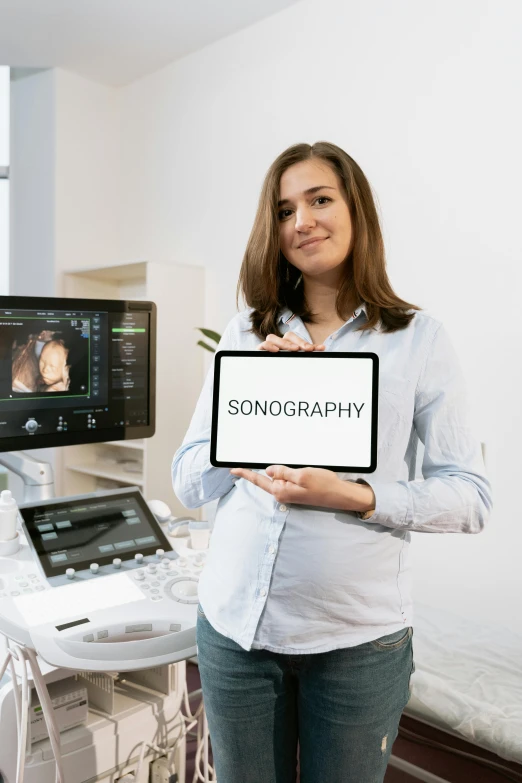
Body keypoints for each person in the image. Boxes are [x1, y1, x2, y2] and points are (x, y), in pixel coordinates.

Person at [171, 141, 493, 783]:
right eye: (285, 209)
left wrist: (354, 495)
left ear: (357, 211)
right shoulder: (246, 333)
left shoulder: (417, 339)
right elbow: (187, 482)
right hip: (235, 631)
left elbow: (470, 497)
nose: (302, 222)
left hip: (356, 643)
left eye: (320, 200)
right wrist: (251, 406)